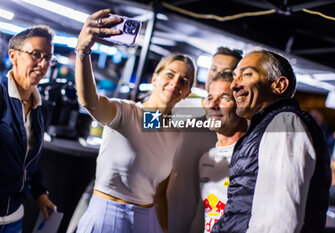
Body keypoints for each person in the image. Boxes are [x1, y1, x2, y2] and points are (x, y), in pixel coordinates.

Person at [74, 9, 196, 233]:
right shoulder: (126, 113)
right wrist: (83, 52)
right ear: (155, 78)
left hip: (147, 220)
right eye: (170, 74)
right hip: (109, 214)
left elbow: (159, 194)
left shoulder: (175, 134)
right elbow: (89, 102)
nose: (175, 82)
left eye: (184, 80)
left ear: (187, 92)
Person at [211, 49, 331, 233]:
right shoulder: (266, 128)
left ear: (279, 85)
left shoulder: (284, 123)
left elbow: (280, 221)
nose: (234, 85)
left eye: (247, 74)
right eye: (235, 77)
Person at [167, 47, 242, 233]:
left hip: (206, 220)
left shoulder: (235, 120)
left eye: (228, 72)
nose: (219, 74)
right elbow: (141, 126)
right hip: (165, 211)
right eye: (214, 69)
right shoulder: (180, 107)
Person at [0, 25, 56, 232]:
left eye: (48, 58)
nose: (43, 64)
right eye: (36, 55)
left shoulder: (40, 107)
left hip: (13, 218)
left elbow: (27, 162)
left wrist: (40, 193)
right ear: (13, 56)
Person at [189, 72, 246, 233]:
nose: (213, 105)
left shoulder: (253, 157)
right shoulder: (207, 157)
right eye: (209, 98)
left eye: (224, 99)